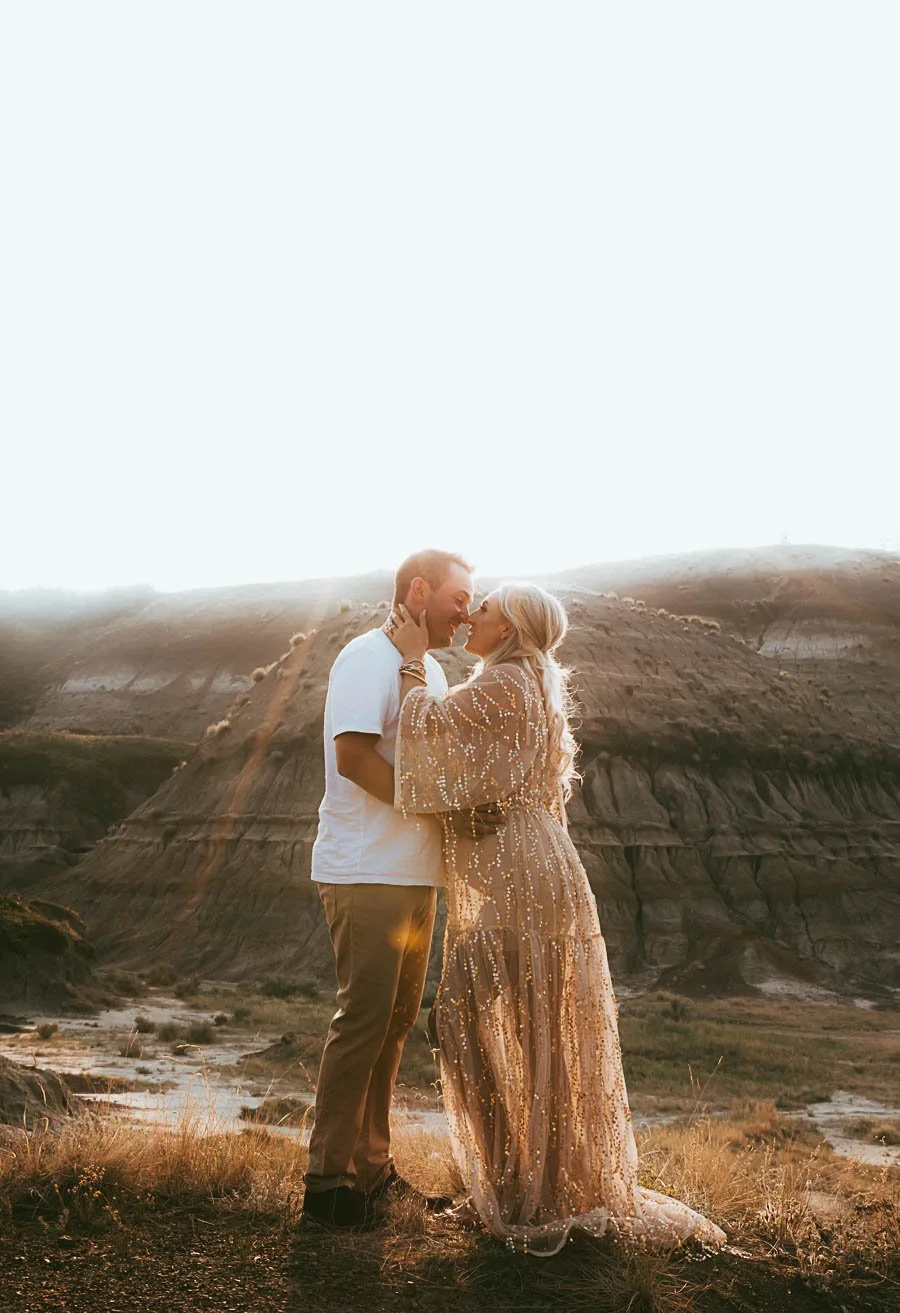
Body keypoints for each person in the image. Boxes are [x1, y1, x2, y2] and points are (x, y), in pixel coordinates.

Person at [388, 583, 726, 1256]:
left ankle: (522, 1195)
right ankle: (526, 1187)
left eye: (483, 607)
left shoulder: (505, 683)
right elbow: (470, 770)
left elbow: (424, 729)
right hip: (533, 865)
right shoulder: (522, 681)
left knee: (476, 1023)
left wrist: (407, 660)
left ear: (509, 625)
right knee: (522, 1030)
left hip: (518, 871)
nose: (471, 613)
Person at [301, 549, 476, 1230]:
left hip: (412, 873)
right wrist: (427, 809)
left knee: (394, 1024)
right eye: (461, 597)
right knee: (362, 1022)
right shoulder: (365, 656)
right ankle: (327, 1183)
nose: (467, 611)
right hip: (365, 869)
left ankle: (370, 1171)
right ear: (419, 590)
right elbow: (351, 757)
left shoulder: (424, 668)